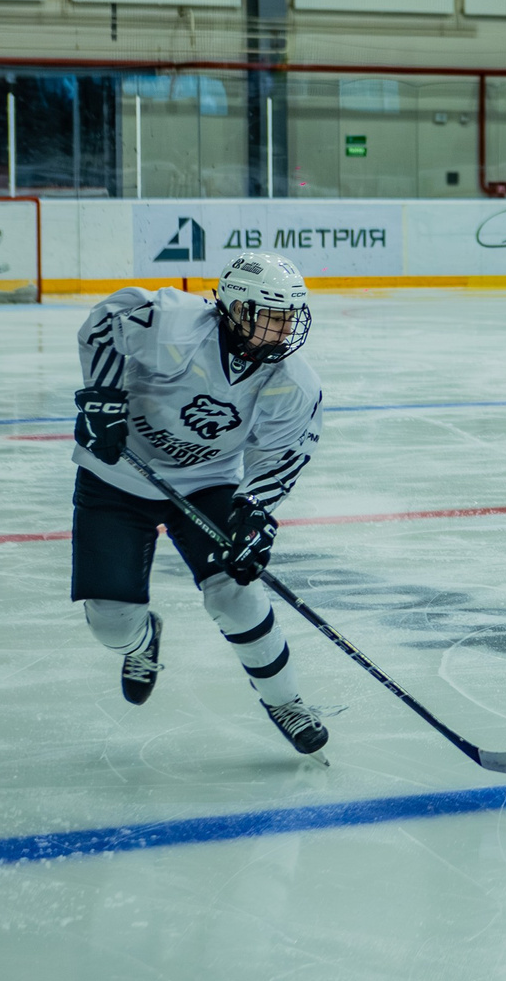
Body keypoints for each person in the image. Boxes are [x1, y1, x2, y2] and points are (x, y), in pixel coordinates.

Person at [69, 255, 331, 758]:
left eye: (290, 317)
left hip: (208, 483)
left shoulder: (292, 381)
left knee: (235, 595)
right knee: (110, 623)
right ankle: (141, 642)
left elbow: (283, 452)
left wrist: (255, 511)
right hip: (117, 475)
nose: (283, 330)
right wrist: (102, 398)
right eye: (270, 315)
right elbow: (107, 323)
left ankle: (286, 701)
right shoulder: (175, 322)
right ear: (233, 308)